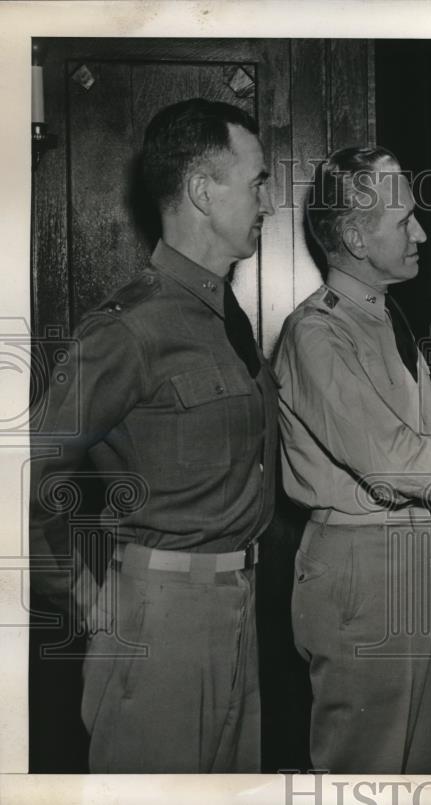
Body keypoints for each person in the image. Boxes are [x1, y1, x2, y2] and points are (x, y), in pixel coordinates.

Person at [29, 98, 278, 772]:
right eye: (256, 181)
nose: (268, 201)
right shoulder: (127, 328)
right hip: (161, 621)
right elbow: (22, 482)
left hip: (239, 610)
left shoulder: (223, 315)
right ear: (203, 190)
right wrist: (84, 596)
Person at [272, 145, 431, 774]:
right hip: (364, 569)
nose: (421, 232)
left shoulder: (381, 318)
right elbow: (393, 461)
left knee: (410, 768)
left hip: (405, 560)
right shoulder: (318, 334)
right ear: (358, 238)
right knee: (365, 770)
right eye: (404, 221)